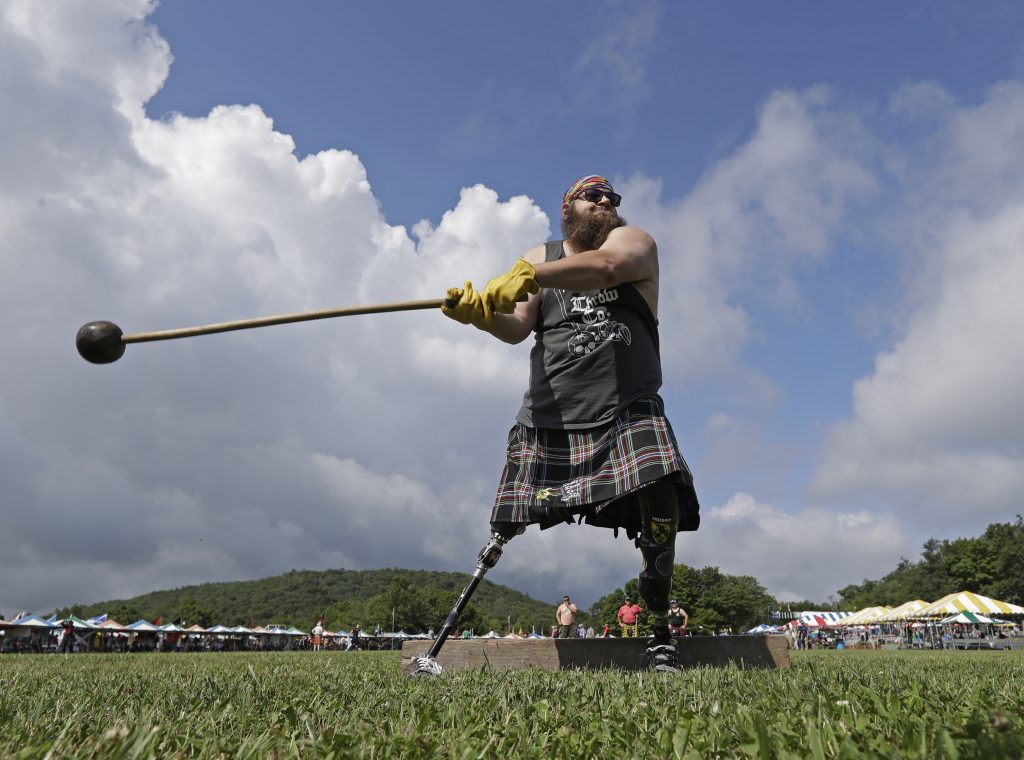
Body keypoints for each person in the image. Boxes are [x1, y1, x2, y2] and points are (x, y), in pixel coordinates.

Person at [441, 174, 700, 672]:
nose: (605, 200)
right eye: (593, 194)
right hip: (550, 416)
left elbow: (607, 268)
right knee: (504, 523)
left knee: (660, 488)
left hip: (626, 408)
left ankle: (660, 621)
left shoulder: (634, 242)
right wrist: (480, 315)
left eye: (612, 197)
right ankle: (450, 624)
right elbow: (516, 326)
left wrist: (532, 273)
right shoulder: (541, 253)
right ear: (567, 205)